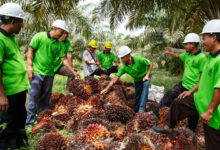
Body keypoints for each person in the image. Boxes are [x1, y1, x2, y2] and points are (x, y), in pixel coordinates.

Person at [153, 19, 220, 150]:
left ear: (214, 37)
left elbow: (219, 88)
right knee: (178, 102)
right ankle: (167, 127)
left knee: (213, 143)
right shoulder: (211, 57)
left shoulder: (217, 60)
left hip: (211, 108)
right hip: (198, 99)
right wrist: (190, 92)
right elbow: (204, 80)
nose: (203, 41)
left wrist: (210, 111)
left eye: (205, 38)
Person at [26, 20, 80, 125]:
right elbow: (30, 51)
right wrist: (29, 67)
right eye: (62, 32)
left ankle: (42, 120)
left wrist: (73, 71)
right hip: (37, 72)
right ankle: (29, 122)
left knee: (45, 99)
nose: (63, 34)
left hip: (49, 74)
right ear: (55, 29)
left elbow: (64, 60)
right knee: (34, 97)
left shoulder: (58, 44)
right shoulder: (39, 36)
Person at [151, 33, 207, 131]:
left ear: (193, 44)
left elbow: (203, 79)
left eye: (186, 44)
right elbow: (178, 56)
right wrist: (169, 53)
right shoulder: (187, 55)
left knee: (192, 110)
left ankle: (191, 130)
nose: (184, 46)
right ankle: (156, 113)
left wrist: (191, 91)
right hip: (183, 85)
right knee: (169, 93)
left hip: (194, 89)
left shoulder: (202, 58)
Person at [0, 3, 30, 149]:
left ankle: (17, 144)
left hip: (18, 89)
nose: (21, 26)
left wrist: (24, 86)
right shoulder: (0, 39)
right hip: (9, 91)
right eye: (20, 23)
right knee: (9, 122)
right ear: (13, 21)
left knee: (19, 118)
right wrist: (1, 96)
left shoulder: (10, 37)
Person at [101, 46, 153, 113]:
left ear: (128, 56)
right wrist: (107, 88)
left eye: (122, 58)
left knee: (145, 87)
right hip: (137, 79)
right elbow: (115, 78)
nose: (121, 60)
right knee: (137, 95)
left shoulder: (139, 59)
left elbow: (150, 64)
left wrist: (147, 75)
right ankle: (135, 110)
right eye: (121, 58)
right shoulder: (124, 67)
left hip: (145, 76)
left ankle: (141, 109)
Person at [54, 30, 75, 95]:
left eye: (67, 34)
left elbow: (69, 55)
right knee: (47, 84)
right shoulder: (54, 41)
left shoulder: (67, 42)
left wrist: (71, 68)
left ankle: (68, 91)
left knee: (72, 73)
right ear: (60, 33)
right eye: (64, 34)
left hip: (60, 66)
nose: (65, 35)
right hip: (50, 67)